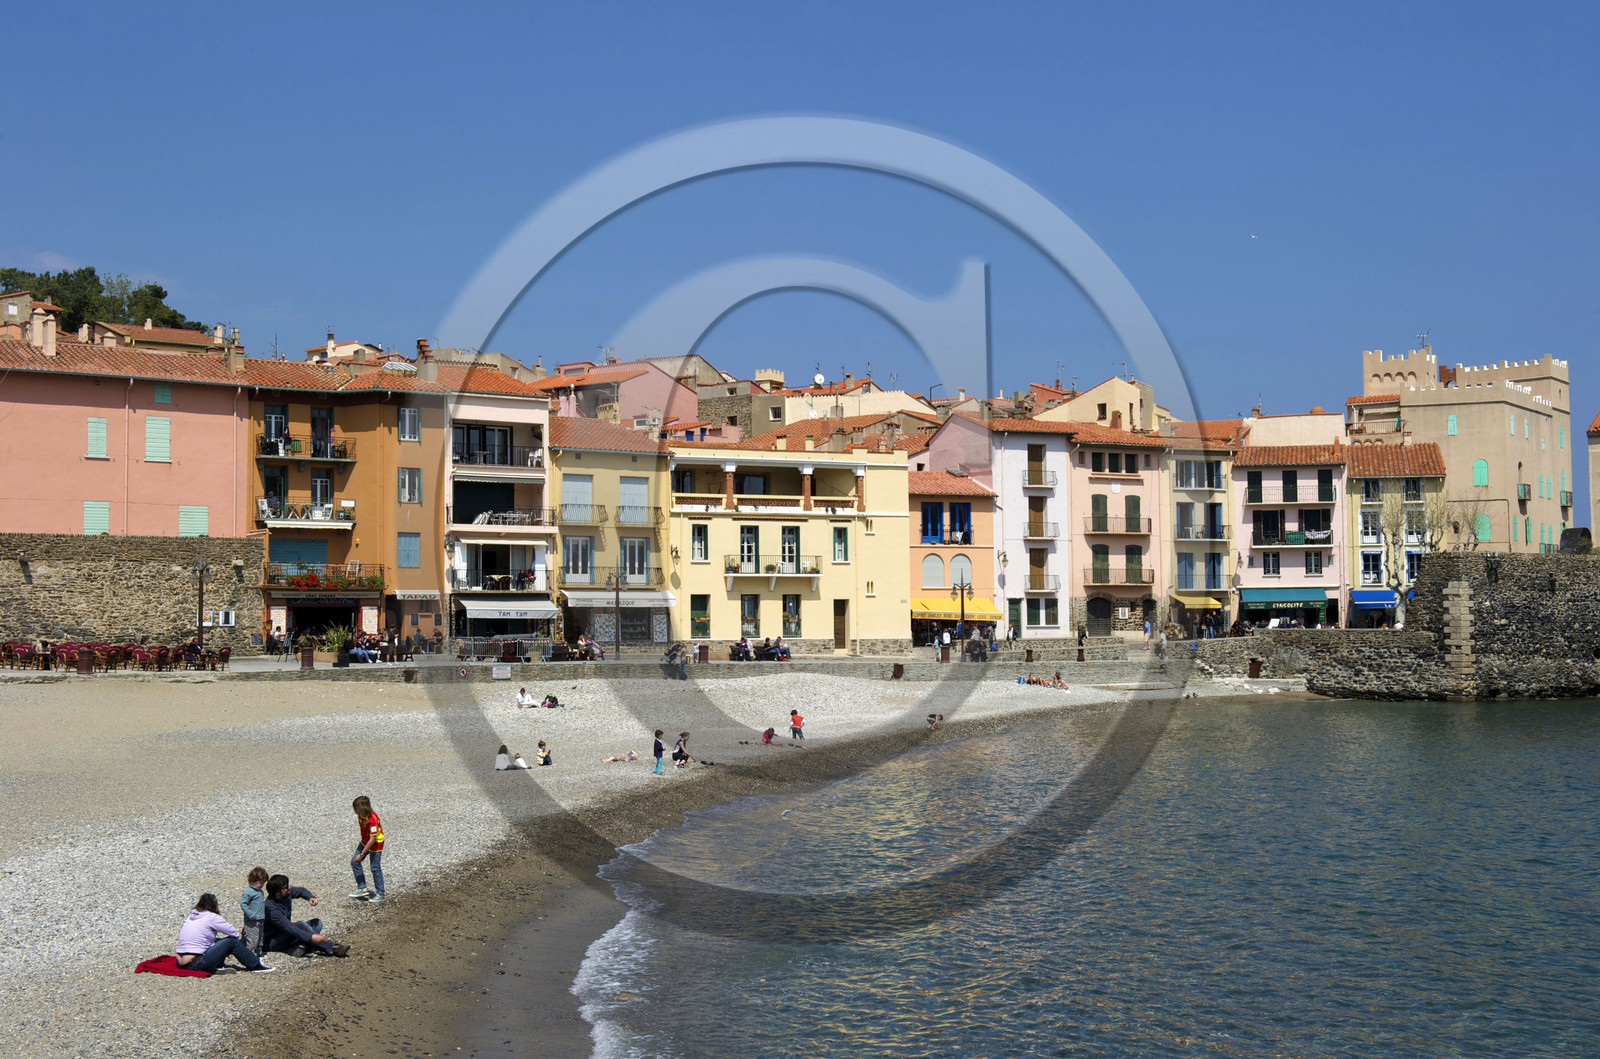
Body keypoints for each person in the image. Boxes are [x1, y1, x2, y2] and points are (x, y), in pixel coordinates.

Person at [175, 893, 274, 973]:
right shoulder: (211, 917)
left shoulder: (191, 916)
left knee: (215, 941)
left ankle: (217, 964)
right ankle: (255, 965)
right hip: (197, 964)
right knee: (231, 942)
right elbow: (233, 933)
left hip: (180, 962)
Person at [262, 874, 348, 957]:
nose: (289, 888)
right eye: (286, 887)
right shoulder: (271, 909)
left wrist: (310, 897)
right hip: (272, 941)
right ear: (277, 892)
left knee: (317, 923)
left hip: (284, 933)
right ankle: (331, 947)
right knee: (300, 925)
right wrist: (311, 937)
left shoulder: (286, 894)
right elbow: (288, 927)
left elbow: (301, 890)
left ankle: (300, 946)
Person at [348, 795, 385, 902]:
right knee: (354, 862)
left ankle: (380, 893)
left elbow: (372, 839)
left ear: (362, 808)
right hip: (365, 841)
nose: (355, 811)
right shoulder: (361, 816)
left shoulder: (372, 819)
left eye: (356, 809)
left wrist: (362, 854)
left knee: (375, 868)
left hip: (376, 844)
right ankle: (362, 888)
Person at [240, 867, 269, 954]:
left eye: (263, 883)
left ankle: (258, 952)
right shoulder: (248, 892)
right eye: (259, 883)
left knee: (260, 937)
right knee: (252, 939)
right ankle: (249, 954)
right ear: (252, 881)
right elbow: (243, 904)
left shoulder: (260, 892)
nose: (261, 885)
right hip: (251, 920)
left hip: (260, 918)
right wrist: (250, 914)